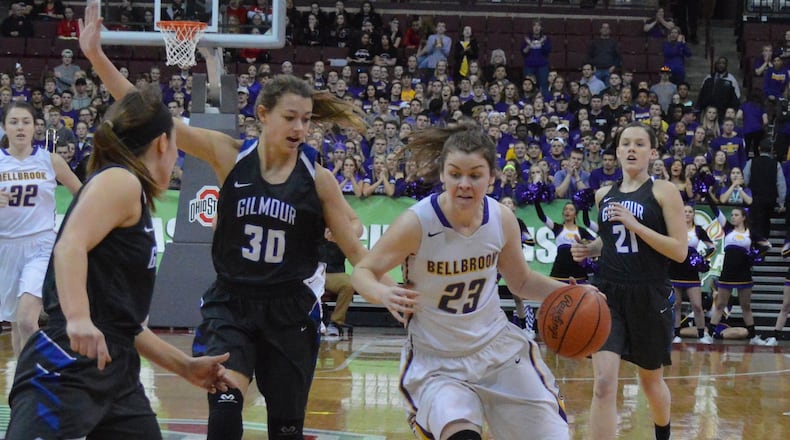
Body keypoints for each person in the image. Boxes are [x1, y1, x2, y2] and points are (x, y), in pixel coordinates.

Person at [79, 3, 376, 438]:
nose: (300, 128)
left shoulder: (318, 178)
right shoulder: (229, 154)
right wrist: (96, 57)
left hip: (290, 307)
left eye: (306, 120)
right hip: (233, 303)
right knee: (224, 400)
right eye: (290, 118)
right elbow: (151, 115)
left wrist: (389, 290)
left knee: (287, 428)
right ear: (263, 115)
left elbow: (357, 251)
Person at [5, 27, 237, 440]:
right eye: (177, 149)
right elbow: (69, 245)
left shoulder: (132, 194)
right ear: (163, 144)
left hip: (117, 371)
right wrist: (78, 317)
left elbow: (123, 323)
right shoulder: (121, 181)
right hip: (67, 364)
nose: (178, 158)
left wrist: (184, 366)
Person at [351, 123, 576, 440]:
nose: (464, 184)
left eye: (475, 175)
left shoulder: (501, 219)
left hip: (498, 351)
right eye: (455, 174)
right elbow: (363, 271)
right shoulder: (418, 222)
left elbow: (522, 282)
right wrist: (382, 293)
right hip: (437, 361)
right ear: (442, 175)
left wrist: (573, 293)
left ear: (491, 178)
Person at [571, 123, 687, 440]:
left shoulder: (664, 191)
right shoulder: (603, 195)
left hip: (649, 293)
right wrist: (590, 249)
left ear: (652, 152)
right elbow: (611, 240)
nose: (631, 148)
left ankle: (663, 434)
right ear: (618, 151)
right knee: (603, 384)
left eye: (639, 143)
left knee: (651, 383)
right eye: (625, 143)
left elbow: (679, 251)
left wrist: (636, 225)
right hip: (607, 293)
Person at [0, 101, 82, 357]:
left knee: (27, 319)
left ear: (35, 126)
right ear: (4, 127)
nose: (20, 127)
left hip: (41, 245)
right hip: (6, 246)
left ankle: (39, 375)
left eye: (26, 122)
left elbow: (83, 195)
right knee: (16, 322)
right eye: (14, 122)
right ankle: (22, 379)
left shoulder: (50, 160)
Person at [706, 203, 772, 345]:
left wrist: (755, 254)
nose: (733, 217)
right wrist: (708, 196)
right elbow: (716, 211)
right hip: (727, 273)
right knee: (720, 305)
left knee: (745, 306)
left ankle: (753, 337)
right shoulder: (728, 229)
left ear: (743, 217)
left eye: (736, 215)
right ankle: (709, 335)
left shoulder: (750, 234)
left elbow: (767, 245)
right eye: (732, 215)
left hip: (743, 273)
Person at [669, 203, 716, 344]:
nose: (687, 214)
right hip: (674, 269)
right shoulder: (674, 228)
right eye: (685, 211)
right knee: (676, 305)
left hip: (691, 272)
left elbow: (712, 247)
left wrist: (702, 259)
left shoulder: (698, 230)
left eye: (690, 211)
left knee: (697, 305)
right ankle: (676, 334)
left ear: (694, 214)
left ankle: (702, 335)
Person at [535, 199, 597, 284]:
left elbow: (594, 243)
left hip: (577, 270)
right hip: (560, 268)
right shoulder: (557, 228)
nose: (567, 211)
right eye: (565, 209)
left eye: (571, 210)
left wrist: (583, 243)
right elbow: (542, 217)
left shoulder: (581, 231)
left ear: (575, 214)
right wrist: (536, 201)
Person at [320, 228, 355, 338]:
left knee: (349, 283)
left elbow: (355, 254)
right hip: (311, 271)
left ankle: (335, 322)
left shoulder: (342, 230)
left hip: (333, 274)